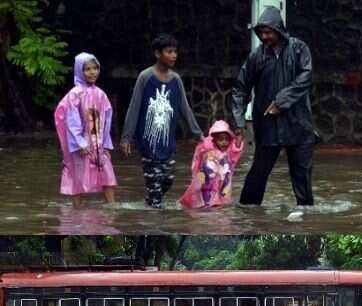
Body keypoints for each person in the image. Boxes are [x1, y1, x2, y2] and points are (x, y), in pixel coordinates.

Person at [232, 6, 314, 207]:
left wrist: (281, 102)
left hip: (298, 124)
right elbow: (241, 88)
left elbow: (306, 77)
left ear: (279, 29)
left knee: (302, 177)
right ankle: (247, 216)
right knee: (257, 175)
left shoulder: (298, 48)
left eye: (268, 31)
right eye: (261, 32)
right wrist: (238, 121)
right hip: (268, 125)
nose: (264, 36)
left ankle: (306, 218)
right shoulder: (257, 56)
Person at [120, 33, 203, 208]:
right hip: (148, 142)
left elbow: (184, 108)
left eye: (175, 52)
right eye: (169, 51)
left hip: (168, 143)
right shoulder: (145, 77)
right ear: (158, 54)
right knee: (156, 191)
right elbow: (134, 108)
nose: (174, 55)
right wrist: (126, 137)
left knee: (169, 179)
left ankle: (150, 203)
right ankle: (155, 222)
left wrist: (197, 133)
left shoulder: (176, 79)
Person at [55, 52, 118, 208]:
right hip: (82, 145)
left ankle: (111, 206)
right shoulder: (75, 94)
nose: (92, 72)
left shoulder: (100, 94)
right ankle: (77, 209)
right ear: (79, 71)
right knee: (79, 175)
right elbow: (72, 121)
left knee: (107, 174)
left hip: (99, 145)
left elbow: (106, 121)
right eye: (87, 69)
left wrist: (107, 145)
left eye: (95, 68)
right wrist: (80, 143)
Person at [178, 120, 245, 209]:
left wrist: (239, 137)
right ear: (214, 139)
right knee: (205, 204)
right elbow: (198, 158)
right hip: (207, 185)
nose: (224, 142)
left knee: (220, 206)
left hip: (222, 186)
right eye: (220, 139)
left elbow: (236, 150)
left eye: (226, 139)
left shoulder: (228, 153)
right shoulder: (207, 150)